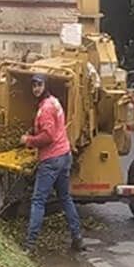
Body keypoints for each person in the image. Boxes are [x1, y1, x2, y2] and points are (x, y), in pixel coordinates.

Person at [20, 72, 85, 252]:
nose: (36, 89)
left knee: (38, 200)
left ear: (45, 86)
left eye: (39, 85)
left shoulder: (46, 108)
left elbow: (48, 136)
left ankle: (30, 244)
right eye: (33, 85)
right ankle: (77, 238)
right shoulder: (54, 101)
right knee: (65, 197)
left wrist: (29, 140)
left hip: (51, 159)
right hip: (65, 155)